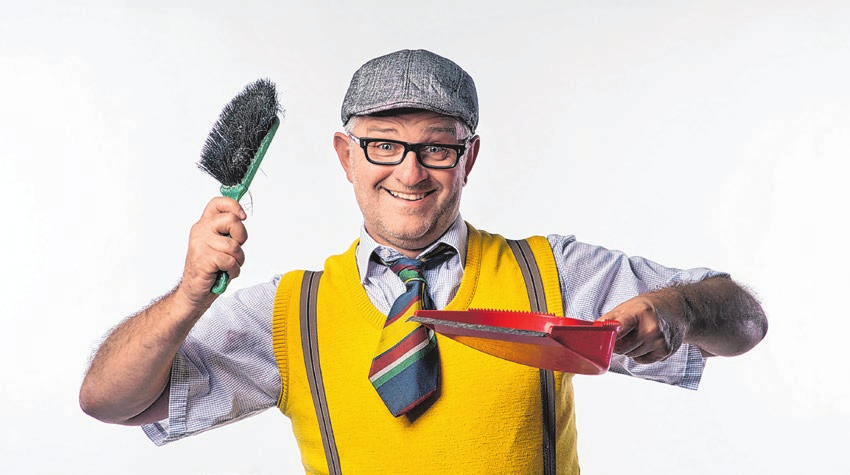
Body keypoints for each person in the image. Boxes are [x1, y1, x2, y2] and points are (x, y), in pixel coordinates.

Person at [80, 49, 767, 474]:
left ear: (468, 157)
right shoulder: (288, 314)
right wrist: (189, 295)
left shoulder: (553, 275)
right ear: (346, 156)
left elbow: (745, 321)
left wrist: (679, 309)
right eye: (383, 144)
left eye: (437, 147)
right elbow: (110, 401)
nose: (410, 172)